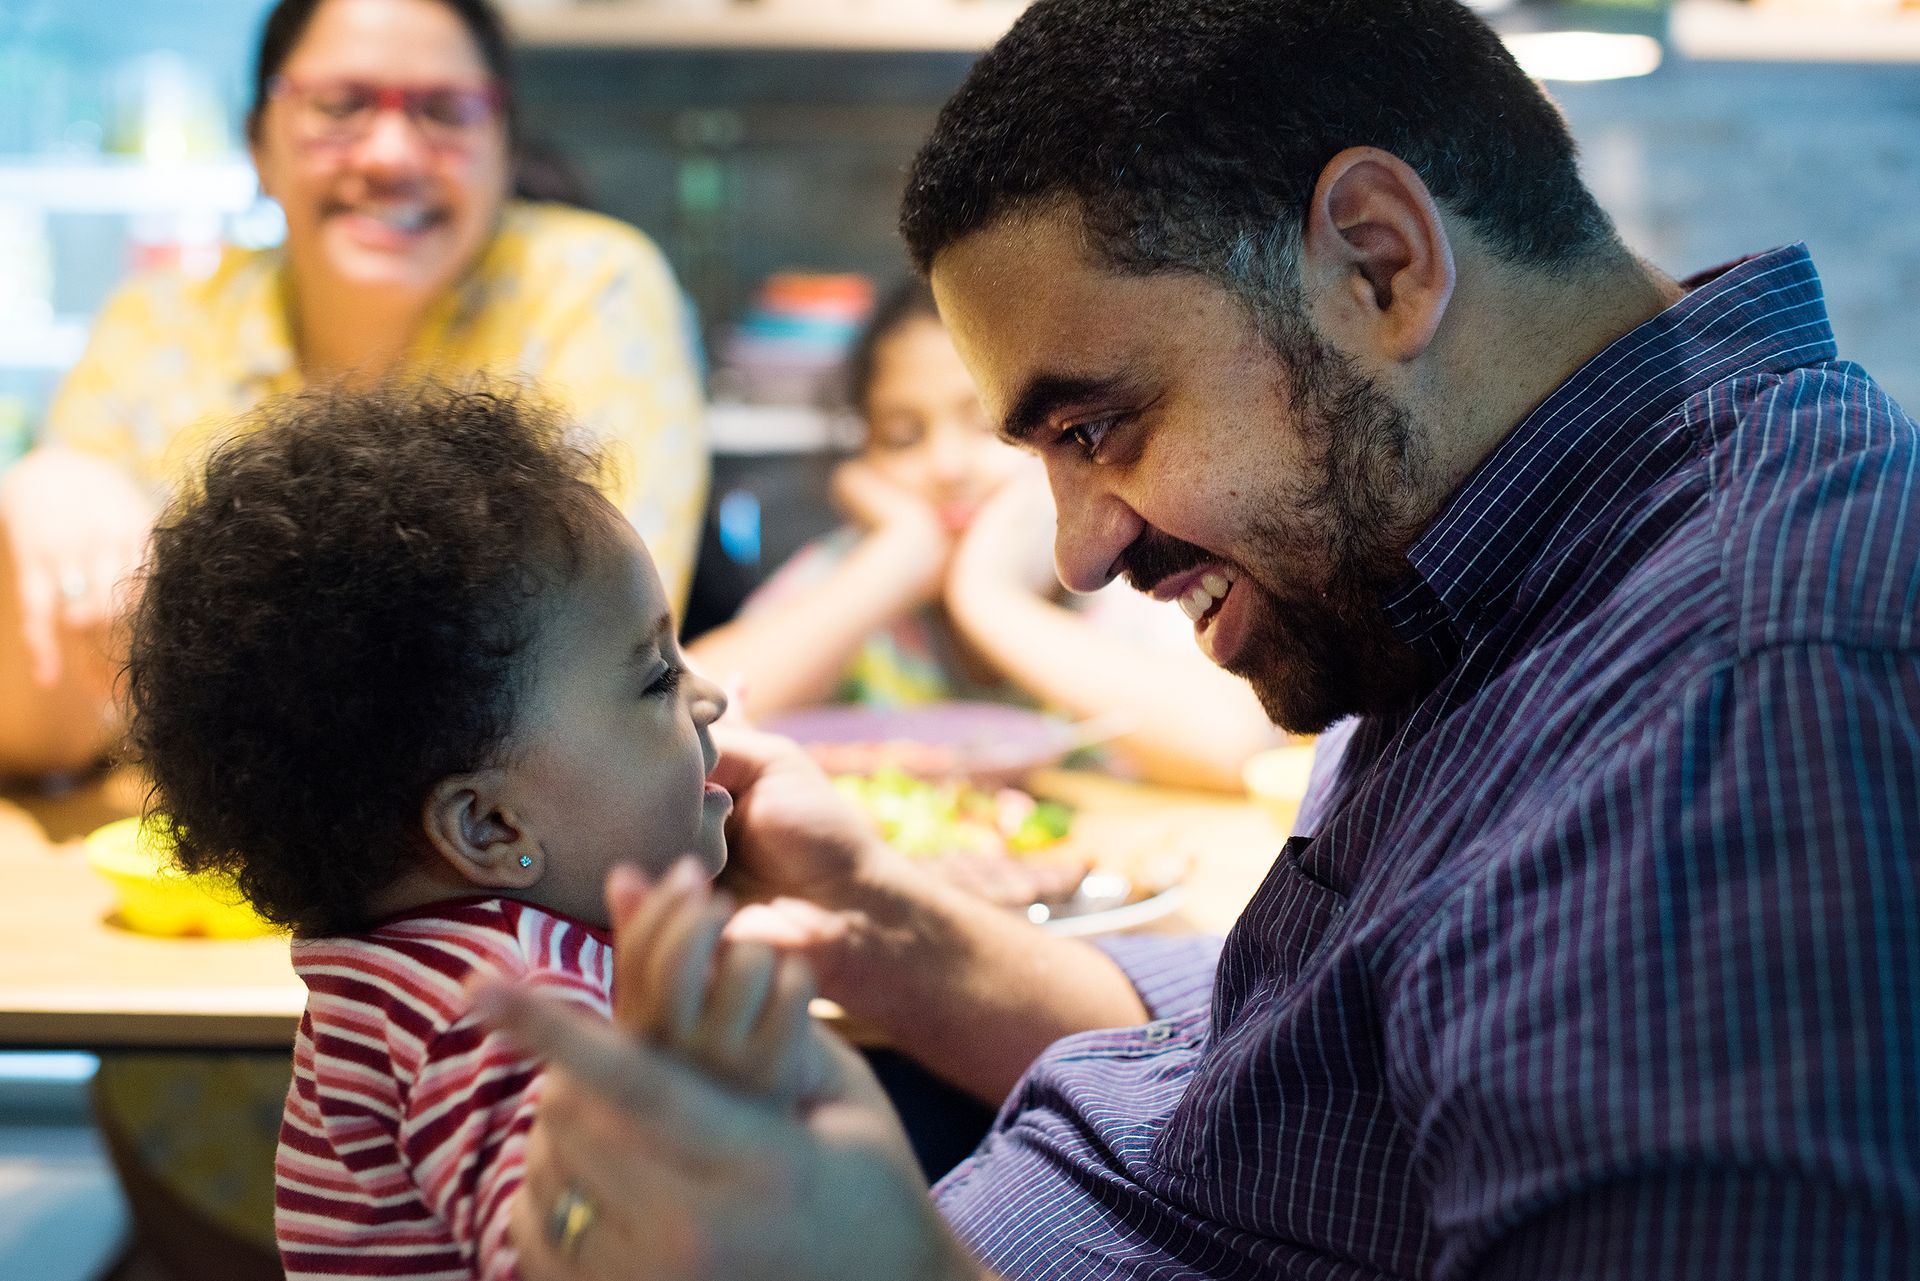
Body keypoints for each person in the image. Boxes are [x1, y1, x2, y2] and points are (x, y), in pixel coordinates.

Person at [485, 1, 1920, 1278]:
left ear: (1379, 263)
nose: (1079, 546)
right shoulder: (1476, 564)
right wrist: (896, 932)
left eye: (1100, 426)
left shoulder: (1744, 701)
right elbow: (1312, 1064)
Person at [125, 382, 852, 1280]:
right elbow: (586, 1249)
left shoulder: (425, 964)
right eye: (657, 676)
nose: (709, 696)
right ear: (490, 823)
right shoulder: (499, 1010)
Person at [0, 0, 706, 779]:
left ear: (505, 151)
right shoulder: (159, 320)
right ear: (258, 145)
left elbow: (586, 658)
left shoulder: (590, 287)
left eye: (446, 111)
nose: (392, 153)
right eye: (339, 106)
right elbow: (55, 725)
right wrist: (38, 499)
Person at [688, 279, 1278, 791]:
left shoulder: (1130, 576)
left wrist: (988, 599)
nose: (947, 467)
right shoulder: (851, 573)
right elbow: (685, 723)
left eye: (990, 427)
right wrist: (896, 558)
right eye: (901, 437)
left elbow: (1242, 747)